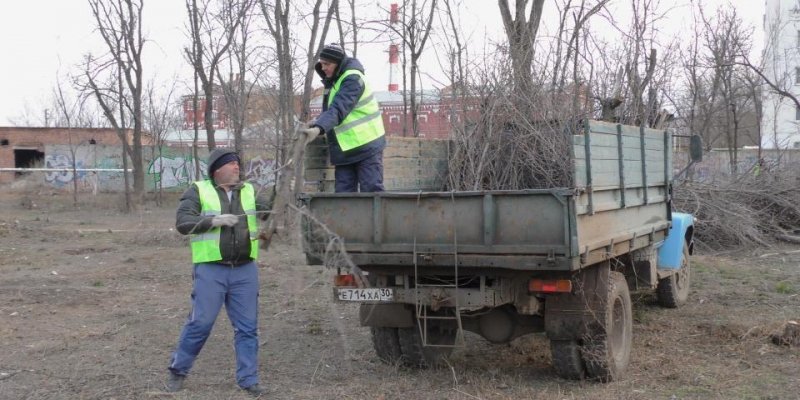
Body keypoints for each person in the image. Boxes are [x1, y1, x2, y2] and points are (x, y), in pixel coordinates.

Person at [165, 148, 272, 397]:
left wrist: (283, 189)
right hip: (211, 270)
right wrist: (214, 221)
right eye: (232, 164)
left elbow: (269, 211)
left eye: (238, 164)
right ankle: (178, 371)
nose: (237, 167)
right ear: (217, 169)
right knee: (200, 323)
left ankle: (249, 380)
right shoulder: (198, 190)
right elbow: (183, 223)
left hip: (245, 270)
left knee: (247, 328)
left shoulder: (248, 190)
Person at [303, 42, 387, 193]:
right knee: (343, 197)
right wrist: (317, 122)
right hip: (345, 149)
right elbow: (333, 110)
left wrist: (319, 128)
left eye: (327, 64)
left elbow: (339, 109)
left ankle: (375, 218)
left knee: (372, 192)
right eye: (321, 64)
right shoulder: (335, 81)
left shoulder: (353, 79)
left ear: (337, 63)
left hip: (367, 146)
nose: (323, 68)